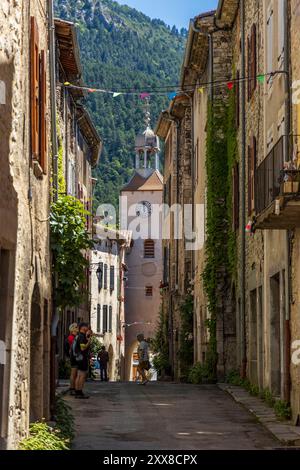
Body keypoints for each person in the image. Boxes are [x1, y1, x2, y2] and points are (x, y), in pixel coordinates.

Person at [73, 323, 92, 399]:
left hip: (79, 358)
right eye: (86, 327)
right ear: (83, 328)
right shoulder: (81, 336)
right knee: (82, 375)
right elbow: (83, 348)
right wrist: (89, 341)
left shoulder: (80, 336)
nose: (87, 328)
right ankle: (79, 392)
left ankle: (78, 391)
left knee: (79, 375)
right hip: (82, 358)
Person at [67, 323, 78, 395]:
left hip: (74, 357)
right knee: (73, 373)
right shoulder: (71, 337)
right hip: (74, 357)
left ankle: (73, 388)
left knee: (75, 373)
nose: (77, 329)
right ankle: (72, 388)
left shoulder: (73, 337)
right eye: (76, 327)